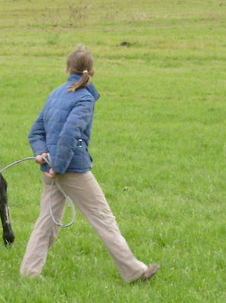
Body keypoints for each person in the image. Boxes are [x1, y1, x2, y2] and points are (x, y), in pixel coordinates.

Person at [20, 46, 159, 284]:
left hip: (52, 169)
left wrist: (41, 154)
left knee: (47, 221)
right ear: (92, 71)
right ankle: (134, 271)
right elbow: (69, 134)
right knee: (103, 218)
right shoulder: (84, 97)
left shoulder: (56, 93)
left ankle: (29, 273)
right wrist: (60, 166)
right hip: (71, 170)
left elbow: (36, 132)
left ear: (67, 68)